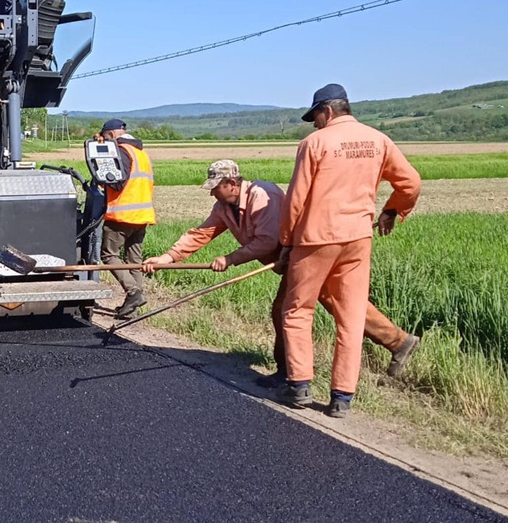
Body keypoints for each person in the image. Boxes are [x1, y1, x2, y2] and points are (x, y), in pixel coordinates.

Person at [141, 159, 421, 388]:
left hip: (304, 255)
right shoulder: (224, 207)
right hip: (291, 261)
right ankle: (399, 341)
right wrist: (167, 258)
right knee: (338, 301)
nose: (213, 193)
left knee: (285, 310)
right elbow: (201, 233)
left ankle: (289, 372)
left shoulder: (263, 196)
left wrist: (230, 259)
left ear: (231, 183)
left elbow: (268, 240)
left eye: (216, 187)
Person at [276, 83, 421, 418]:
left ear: (327, 110)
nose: (314, 123)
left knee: (297, 310)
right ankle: (342, 399)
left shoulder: (315, 143)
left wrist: (286, 242)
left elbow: (296, 199)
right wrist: (391, 210)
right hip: (357, 239)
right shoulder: (378, 139)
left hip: (316, 239)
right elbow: (410, 182)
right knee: (351, 318)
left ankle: (298, 386)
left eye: (315, 116)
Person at [97, 119, 156, 317]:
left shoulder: (121, 151)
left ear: (112, 135)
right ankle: (132, 308)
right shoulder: (141, 153)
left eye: (105, 137)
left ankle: (133, 293)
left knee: (109, 255)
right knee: (134, 260)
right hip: (142, 215)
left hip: (121, 214)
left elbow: (116, 181)